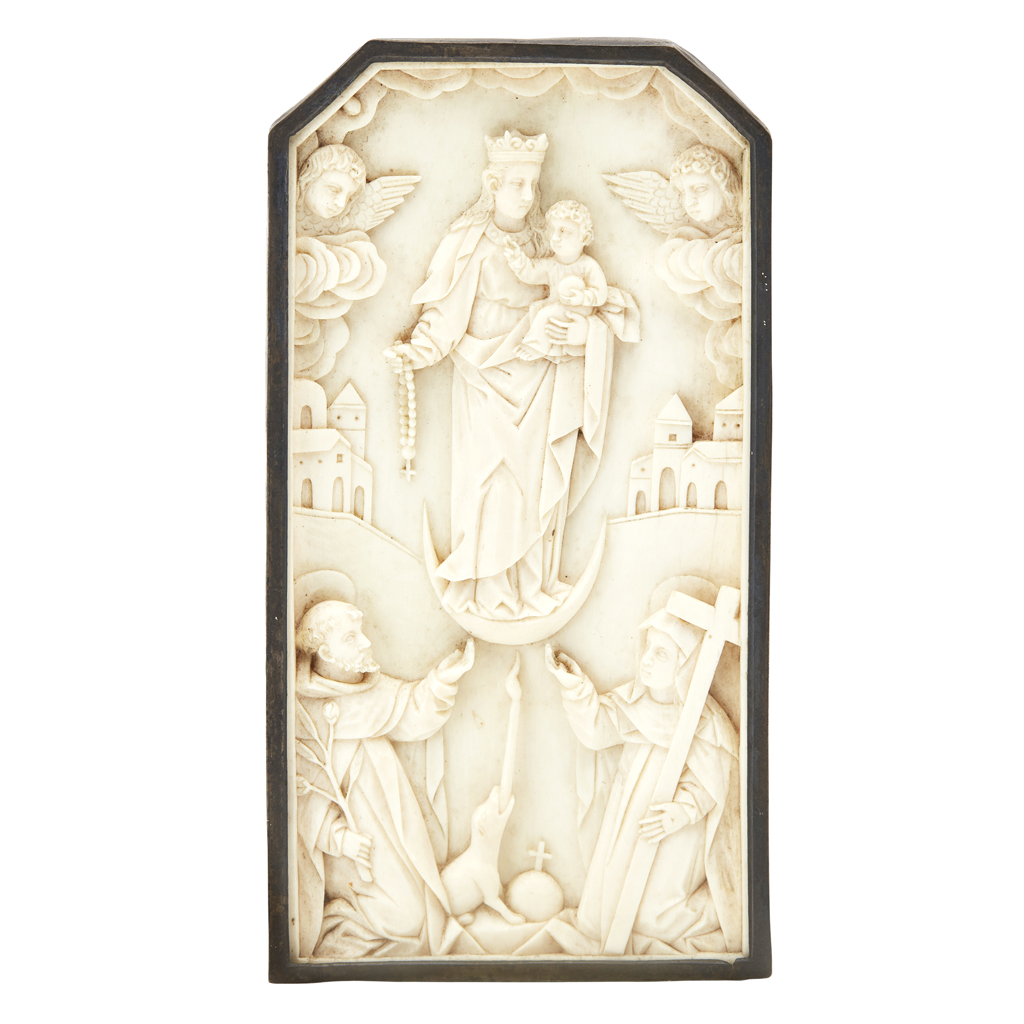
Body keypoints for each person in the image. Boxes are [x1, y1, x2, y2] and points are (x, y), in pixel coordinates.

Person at [382, 131, 637, 621]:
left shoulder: (548, 241)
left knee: (538, 486)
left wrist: (584, 334)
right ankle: (490, 593)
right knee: (494, 481)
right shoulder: (466, 242)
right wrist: (418, 350)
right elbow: (444, 313)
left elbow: (592, 303)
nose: (527, 194)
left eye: (532, 184)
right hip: (484, 378)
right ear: (491, 183)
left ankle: (534, 588)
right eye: (516, 183)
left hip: (540, 377)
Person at [543, 590, 741, 955]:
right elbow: (597, 729)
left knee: (653, 915)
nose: (647, 661)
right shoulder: (635, 702)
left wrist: (683, 810)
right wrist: (575, 686)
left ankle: (721, 907)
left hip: (674, 830)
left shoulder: (708, 724)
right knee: (610, 898)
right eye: (648, 648)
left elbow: (714, 776)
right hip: (630, 816)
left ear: (685, 666)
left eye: (661, 654)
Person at [293, 599, 474, 958]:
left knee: (415, 915)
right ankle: (341, 927)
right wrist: (338, 838)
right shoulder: (303, 713)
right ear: (326, 652)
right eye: (351, 637)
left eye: (360, 633)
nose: (365, 642)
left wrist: (443, 679)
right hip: (351, 848)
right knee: (406, 919)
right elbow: (303, 797)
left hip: (391, 830)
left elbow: (412, 711)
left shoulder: (373, 691)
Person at [654, 144, 744, 389]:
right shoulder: (689, 237)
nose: (690, 202)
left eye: (700, 189)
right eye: (684, 193)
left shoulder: (745, 230)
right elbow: (670, 262)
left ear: (725, 188)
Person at [502, 199, 608, 364]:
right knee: (536, 309)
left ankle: (535, 346)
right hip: (556, 308)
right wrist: (517, 258)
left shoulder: (588, 265)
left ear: (585, 237)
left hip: (577, 312)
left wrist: (582, 297)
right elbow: (530, 272)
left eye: (565, 232)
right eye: (553, 230)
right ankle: (548, 346)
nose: (556, 237)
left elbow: (601, 294)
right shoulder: (551, 264)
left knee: (545, 313)